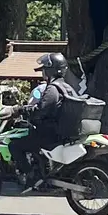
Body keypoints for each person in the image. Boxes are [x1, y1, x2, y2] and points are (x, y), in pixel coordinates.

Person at [15, 53, 75, 191]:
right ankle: (41, 174)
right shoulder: (66, 87)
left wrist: (21, 110)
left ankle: (31, 177)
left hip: (51, 132)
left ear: (50, 70)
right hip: (61, 131)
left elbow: (42, 109)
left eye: (44, 69)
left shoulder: (52, 88)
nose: (42, 72)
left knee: (15, 145)